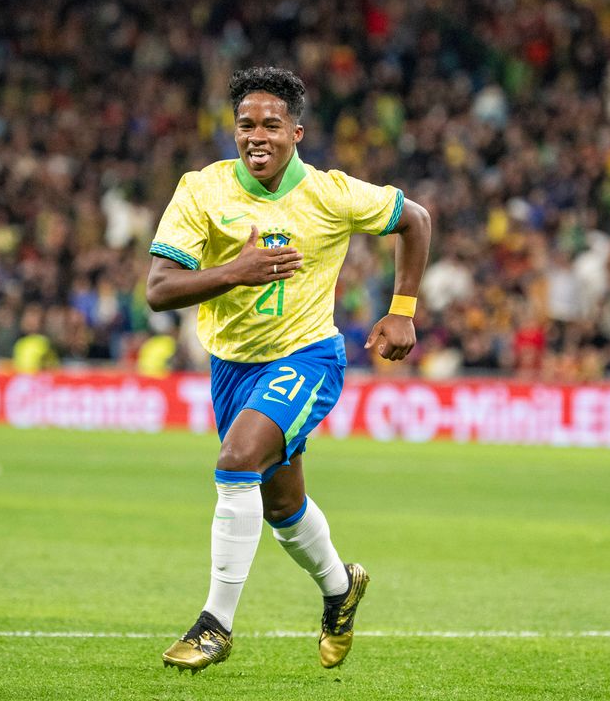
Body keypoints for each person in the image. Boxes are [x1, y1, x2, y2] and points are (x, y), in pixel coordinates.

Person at [146, 67, 430, 673]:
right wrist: (233, 272)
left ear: (296, 132)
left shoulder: (331, 194)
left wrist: (401, 311)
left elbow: (416, 220)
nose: (256, 135)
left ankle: (214, 625)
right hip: (232, 367)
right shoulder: (202, 190)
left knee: (235, 461)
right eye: (245, 124)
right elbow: (159, 289)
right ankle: (340, 588)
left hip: (306, 356)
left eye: (271, 125)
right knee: (281, 505)